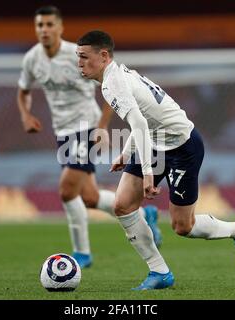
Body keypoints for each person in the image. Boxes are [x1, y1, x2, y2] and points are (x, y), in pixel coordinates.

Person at [76, 30, 235, 290]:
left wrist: (147, 173)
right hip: (155, 143)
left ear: (103, 56)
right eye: (77, 57)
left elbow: (138, 121)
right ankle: (159, 272)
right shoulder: (115, 76)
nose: (79, 63)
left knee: (183, 226)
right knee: (123, 205)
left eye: (83, 57)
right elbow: (143, 120)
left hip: (183, 147)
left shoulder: (112, 83)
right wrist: (127, 154)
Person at [17, 6, 162, 269]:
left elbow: (109, 87)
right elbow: (23, 90)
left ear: (60, 28)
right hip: (62, 131)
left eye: (50, 25)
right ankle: (144, 214)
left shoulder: (79, 55)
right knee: (89, 197)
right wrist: (25, 114)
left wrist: (102, 125)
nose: (44, 30)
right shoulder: (32, 59)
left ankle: (81, 253)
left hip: (85, 127)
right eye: (40, 25)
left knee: (66, 189)